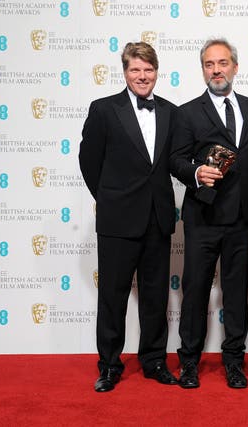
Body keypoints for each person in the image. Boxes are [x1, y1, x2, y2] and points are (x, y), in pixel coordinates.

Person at [79, 41, 179, 392]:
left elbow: (174, 162)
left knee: (156, 297)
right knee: (112, 297)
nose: (142, 76)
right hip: (117, 220)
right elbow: (89, 162)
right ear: (124, 72)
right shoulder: (104, 110)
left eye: (148, 70)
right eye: (135, 69)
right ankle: (109, 365)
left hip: (158, 219)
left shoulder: (170, 111)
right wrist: (109, 199)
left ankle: (154, 361)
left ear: (157, 72)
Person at [170, 38, 248, 389]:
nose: (217, 69)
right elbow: (174, 159)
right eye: (210, 64)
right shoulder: (187, 112)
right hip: (203, 217)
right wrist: (195, 172)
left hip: (242, 218)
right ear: (203, 69)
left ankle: (234, 362)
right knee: (195, 291)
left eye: (223, 63)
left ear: (235, 67)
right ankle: (189, 363)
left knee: (236, 292)